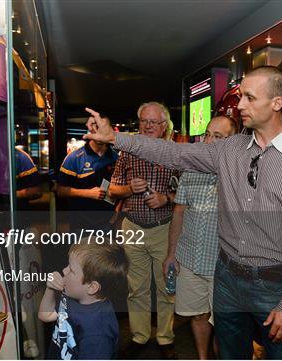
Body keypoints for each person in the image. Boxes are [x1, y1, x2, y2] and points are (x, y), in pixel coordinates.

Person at [85, 66, 282, 359]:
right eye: (241, 97)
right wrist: (115, 138)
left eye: (250, 98)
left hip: (275, 285)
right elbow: (172, 153)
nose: (239, 106)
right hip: (226, 278)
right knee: (228, 354)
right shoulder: (229, 150)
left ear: (276, 103)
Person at [162, 115, 238, 359]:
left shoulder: (240, 175)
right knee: (198, 315)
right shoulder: (191, 171)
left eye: (218, 137)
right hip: (191, 259)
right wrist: (171, 254)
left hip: (224, 265)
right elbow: (179, 214)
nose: (209, 141)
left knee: (226, 321)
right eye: (207, 134)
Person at [109, 102, 178, 359]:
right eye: (144, 121)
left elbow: (186, 193)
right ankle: (139, 337)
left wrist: (166, 198)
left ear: (163, 127)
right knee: (136, 287)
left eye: (153, 122)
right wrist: (129, 189)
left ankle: (165, 338)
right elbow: (112, 190)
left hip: (164, 229)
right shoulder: (127, 152)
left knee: (165, 287)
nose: (148, 126)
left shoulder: (174, 153)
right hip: (133, 228)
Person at [38, 241, 129, 360]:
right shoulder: (71, 293)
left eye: (71, 270)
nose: (64, 270)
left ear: (91, 287)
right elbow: (46, 315)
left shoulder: (97, 335)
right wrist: (50, 289)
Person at [57, 116, 118, 232]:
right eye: (96, 126)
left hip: (109, 224)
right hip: (81, 225)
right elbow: (60, 191)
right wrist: (88, 193)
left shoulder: (116, 157)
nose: (100, 131)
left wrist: (118, 211)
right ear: (90, 128)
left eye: (104, 127)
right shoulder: (74, 158)